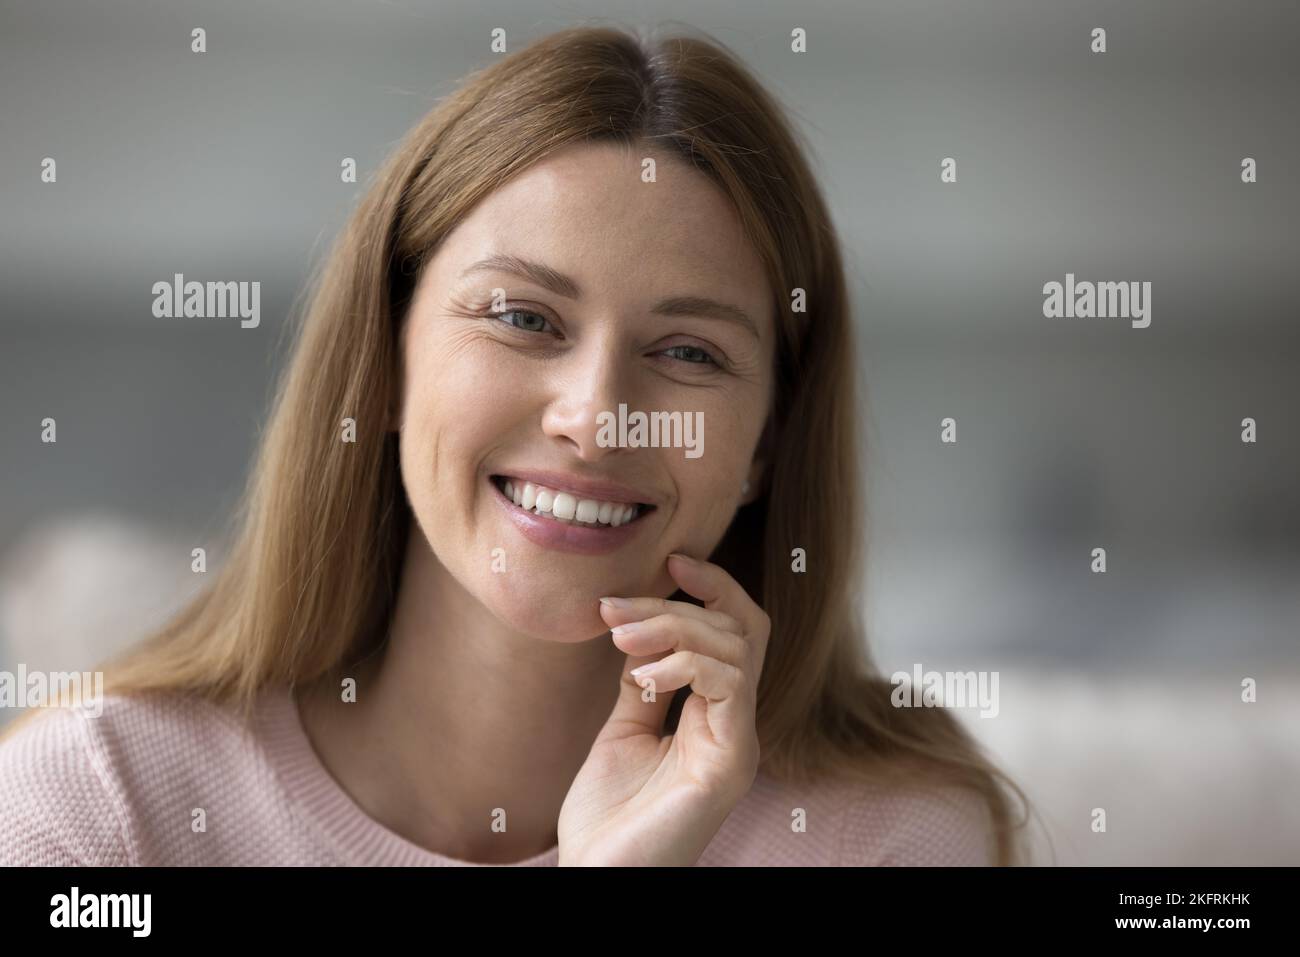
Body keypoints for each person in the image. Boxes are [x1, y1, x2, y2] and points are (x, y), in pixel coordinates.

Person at [0, 24, 1029, 866]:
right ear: (384, 365)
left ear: (767, 442)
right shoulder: (99, 809)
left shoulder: (885, 836)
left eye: (687, 351)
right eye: (523, 318)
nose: (594, 417)